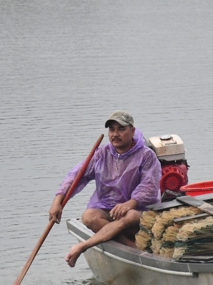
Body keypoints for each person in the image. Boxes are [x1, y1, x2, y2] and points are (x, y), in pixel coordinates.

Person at [50, 111, 162, 268]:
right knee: (89, 216)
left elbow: (149, 187)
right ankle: (130, 246)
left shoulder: (146, 155)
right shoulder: (102, 153)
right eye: (112, 130)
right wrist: (58, 201)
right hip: (109, 210)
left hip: (139, 212)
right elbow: (77, 174)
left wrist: (129, 204)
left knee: (128, 215)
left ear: (132, 131)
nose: (115, 134)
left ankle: (83, 246)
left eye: (121, 129)